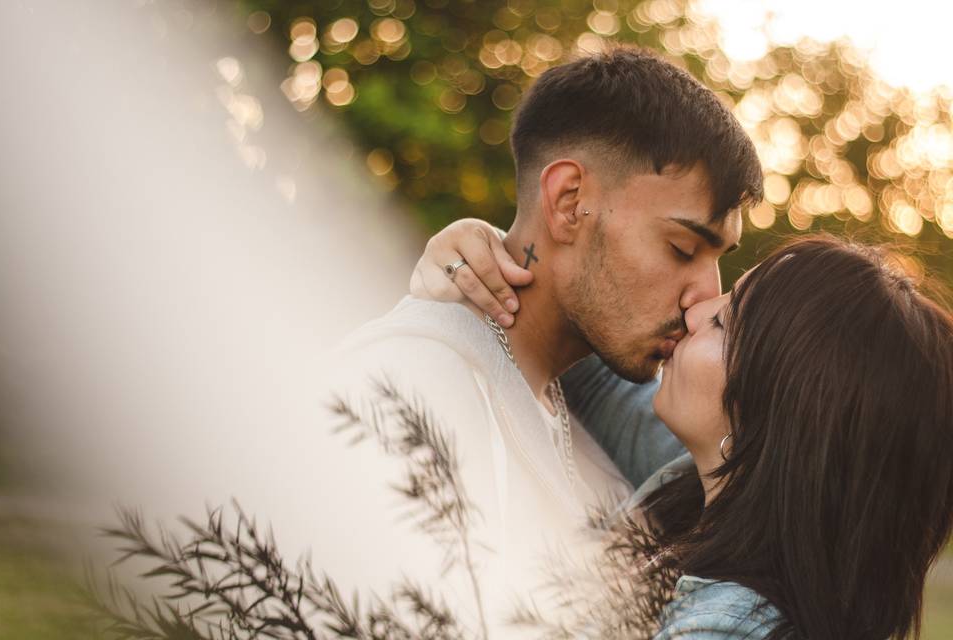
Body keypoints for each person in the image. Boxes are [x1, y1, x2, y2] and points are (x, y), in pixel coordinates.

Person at [323, 45, 762, 635]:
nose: (704, 296)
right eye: (681, 249)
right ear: (568, 202)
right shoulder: (406, 389)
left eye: (716, 260)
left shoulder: (584, 417)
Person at [415, 232, 953, 638]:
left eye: (726, 322)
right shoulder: (706, 489)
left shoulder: (727, 628)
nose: (697, 310)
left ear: (773, 412)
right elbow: (564, 328)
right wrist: (481, 249)